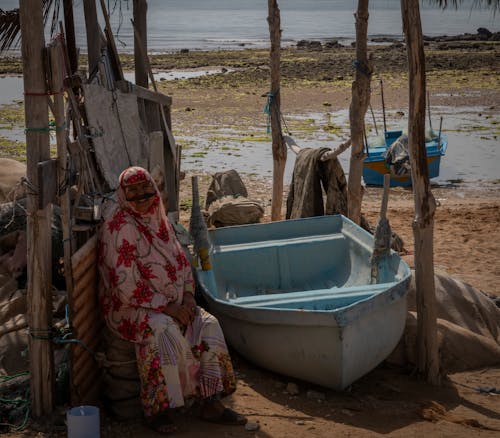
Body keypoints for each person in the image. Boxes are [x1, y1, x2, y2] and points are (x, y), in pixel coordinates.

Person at [98, 166, 246, 434]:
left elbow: (181, 262)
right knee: (162, 330)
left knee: (208, 324)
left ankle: (210, 401)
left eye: (146, 191)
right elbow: (126, 286)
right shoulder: (119, 226)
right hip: (131, 309)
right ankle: (158, 409)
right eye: (134, 193)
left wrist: (188, 297)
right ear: (123, 195)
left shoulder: (158, 218)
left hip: (175, 302)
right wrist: (169, 308)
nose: (142, 198)